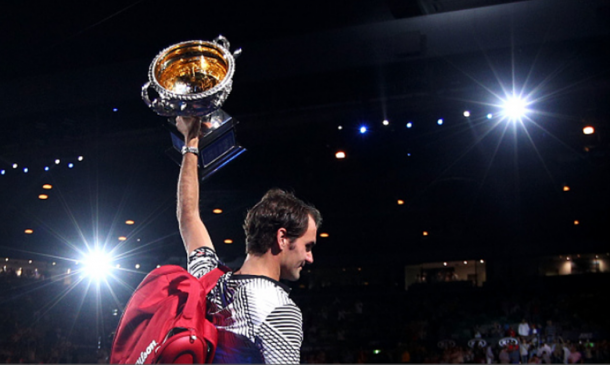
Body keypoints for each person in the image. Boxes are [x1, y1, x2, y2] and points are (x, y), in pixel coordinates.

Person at [175, 116, 322, 363]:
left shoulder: (209, 280)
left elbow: (187, 216)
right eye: (307, 246)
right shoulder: (278, 310)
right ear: (282, 238)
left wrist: (191, 142)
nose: (310, 257)